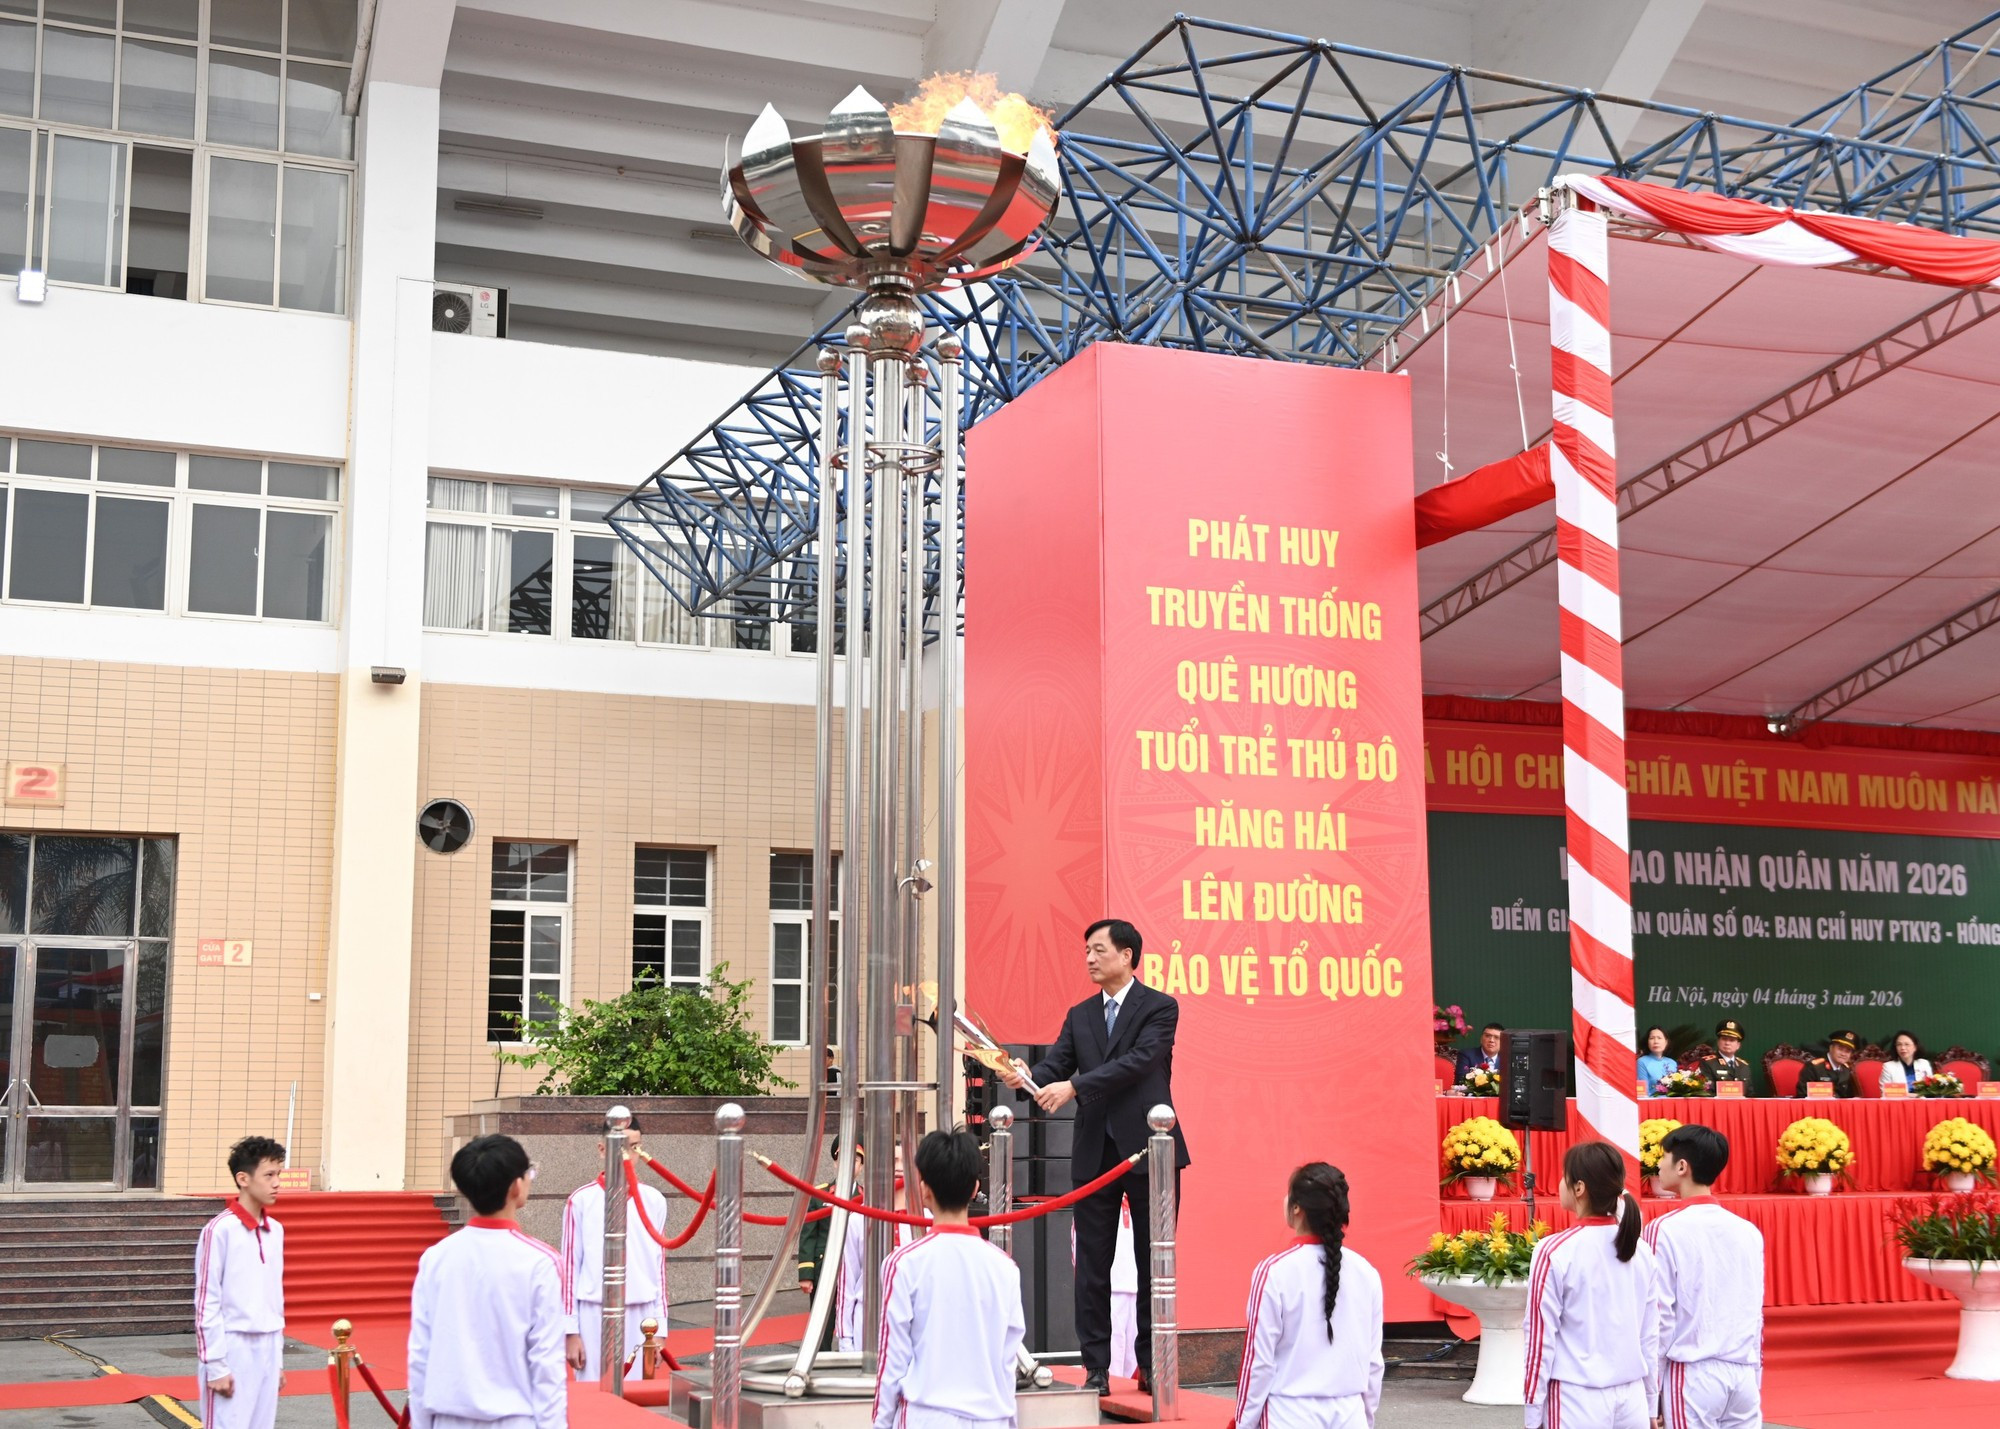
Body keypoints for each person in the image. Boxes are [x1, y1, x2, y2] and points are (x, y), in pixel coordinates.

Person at [999, 916, 1191, 1395]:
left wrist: (1074, 1087)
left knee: (1155, 1265)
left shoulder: (1160, 1007)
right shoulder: (1081, 1013)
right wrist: (1025, 1075)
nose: (1088, 957)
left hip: (1150, 1150)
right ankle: (1097, 1368)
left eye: (1098, 949)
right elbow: (1056, 1065)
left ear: (1127, 955)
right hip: (1094, 1153)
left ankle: (1151, 1364)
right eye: (1086, 950)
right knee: (1091, 1267)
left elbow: (1139, 1062)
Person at [408, 1134, 566, 1429]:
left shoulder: (436, 1258)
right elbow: (547, 1366)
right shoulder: (539, 1262)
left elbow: (420, 1353)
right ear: (516, 1186)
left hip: (447, 1416)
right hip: (514, 1417)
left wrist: (421, 1422)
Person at [872, 1127, 1025, 1429]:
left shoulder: (904, 1263)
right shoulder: (1004, 1267)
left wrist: (881, 1423)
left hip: (926, 1414)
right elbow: (1008, 1360)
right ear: (974, 1188)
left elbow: (893, 1358)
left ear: (924, 1188)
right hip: (990, 1417)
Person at [1233, 1163, 1385, 1429]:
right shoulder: (1366, 1272)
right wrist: (1366, 1418)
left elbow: (1257, 1362)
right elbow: (1374, 1363)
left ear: (1296, 1208)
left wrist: (1243, 1424)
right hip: (1351, 1413)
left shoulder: (1273, 1271)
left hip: (1289, 1413)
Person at [1522, 1141, 1658, 1429]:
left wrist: (1532, 1417)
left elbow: (1538, 1338)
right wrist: (1650, 1403)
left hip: (1576, 1397)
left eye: (1564, 1177)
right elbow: (1650, 1336)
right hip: (1631, 1396)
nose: (1560, 1184)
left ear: (1579, 1187)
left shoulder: (1554, 1251)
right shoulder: (1641, 1250)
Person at [1645, 1126, 1763, 1429]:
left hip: (1693, 1375)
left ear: (1682, 1167)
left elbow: (1659, 1318)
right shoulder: (1748, 1231)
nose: (1658, 1164)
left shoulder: (1663, 1229)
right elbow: (1755, 1313)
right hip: (1743, 1374)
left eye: (1664, 1157)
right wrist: (1756, 1376)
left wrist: (1650, 1393)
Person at [560, 1114, 669, 1381]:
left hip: (641, 1314)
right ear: (602, 1150)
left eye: (634, 1147)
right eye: (619, 1146)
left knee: (637, 1402)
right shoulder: (582, 1200)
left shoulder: (654, 1200)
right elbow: (570, 1268)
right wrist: (570, 1331)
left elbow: (659, 1267)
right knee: (596, 1401)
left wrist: (661, 1327)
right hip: (593, 1312)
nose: (628, 1155)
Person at [196, 1136, 288, 1429]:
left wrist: (278, 1360)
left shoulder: (276, 1230)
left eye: (279, 1175)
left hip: (269, 1345)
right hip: (233, 1347)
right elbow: (206, 1302)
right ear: (243, 1178)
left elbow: (275, 1297)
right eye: (269, 1175)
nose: (277, 1183)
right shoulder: (219, 1230)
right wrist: (216, 1365)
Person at [837, 1149, 921, 1352]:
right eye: (894, 1160)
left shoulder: (926, 1218)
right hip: (870, 1318)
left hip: (915, 1319)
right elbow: (847, 1280)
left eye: (905, 1160)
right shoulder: (858, 1218)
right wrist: (845, 1337)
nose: (900, 1166)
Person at [1794, 1030, 1861, 1099]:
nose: (1843, 1054)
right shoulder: (1814, 1067)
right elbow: (1802, 1095)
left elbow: (1849, 1097)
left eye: (1847, 1051)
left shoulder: (1846, 1070)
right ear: (1831, 1048)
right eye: (1840, 1049)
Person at [1696, 1022, 1753, 1091]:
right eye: (1724, 1039)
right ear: (1718, 1042)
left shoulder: (1744, 1066)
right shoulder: (1708, 1063)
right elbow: (1707, 1090)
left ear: (1738, 1045)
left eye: (1732, 1040)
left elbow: (1750, 1093)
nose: (1727, 1043)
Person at [1637, 1028, 1677, 1094]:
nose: (1656, 1041)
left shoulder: (1672, 1063)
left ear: (1666, 1042)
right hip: (1652, 1102)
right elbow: (1642, 1093)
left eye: (1659, 1038)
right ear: (1647, 1042)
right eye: (1652, 1038)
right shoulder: (1641, 1062)